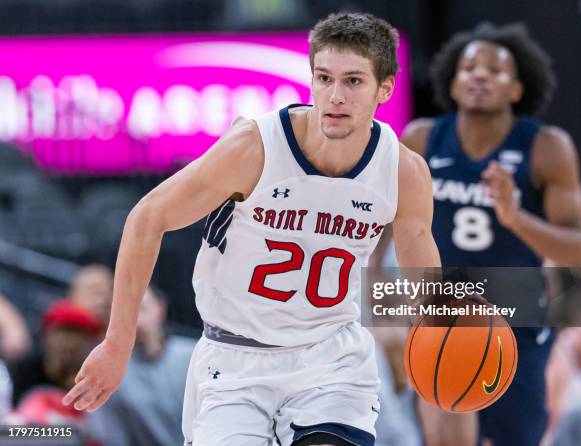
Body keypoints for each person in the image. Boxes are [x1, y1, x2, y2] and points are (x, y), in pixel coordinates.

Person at [63, 12, 442, 446]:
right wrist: (117, 345)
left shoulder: (403, 171)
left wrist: (444, 333)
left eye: (353, 81)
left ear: (386, 87)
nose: (334, 96)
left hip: (330, 361)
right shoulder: (255, 147)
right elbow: (147, 218)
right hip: (235, 360)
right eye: (324, 78)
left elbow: (420, 265)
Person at [399, 22, 581, 446]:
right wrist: (381, 306)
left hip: (516, 318)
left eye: (495, 69)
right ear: (452, 84)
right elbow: (383, 227)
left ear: (516, 88)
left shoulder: (546, 147)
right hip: (441, 312)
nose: (480, 76)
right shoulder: (420, 138)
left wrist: (515, 217)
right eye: (469, 68)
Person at [87, 287, 196, 446]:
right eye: (126, 314)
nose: (136, 321)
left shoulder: (193, 356)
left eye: (142, 309)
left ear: (160, 308)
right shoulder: (109, 371)